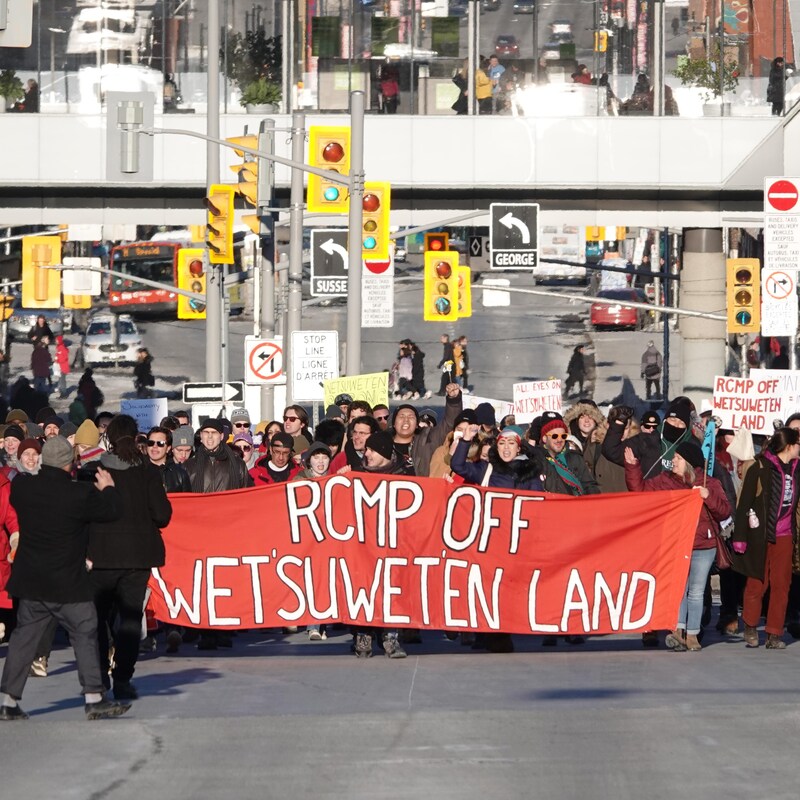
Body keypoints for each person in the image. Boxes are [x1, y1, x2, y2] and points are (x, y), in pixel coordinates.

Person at [0, 437, 130, 721]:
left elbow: (18, 485)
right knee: (85, 633)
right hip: (68, 583)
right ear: (69, 463)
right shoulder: (79, 494)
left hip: (32, 581)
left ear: (44, 460)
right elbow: (112, 511)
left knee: (23, 639)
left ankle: (8, 701)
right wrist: (108, 489)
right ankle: (94, 697)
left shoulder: (22, 488)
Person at [87, 415, 172, 700]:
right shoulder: (148, 473)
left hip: (101, 556)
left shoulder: (95, 471)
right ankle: (123, 678)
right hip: (138, 556)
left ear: (108, 438)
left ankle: (99, 677)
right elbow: (162, 516)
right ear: (136, 438)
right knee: (131, 619)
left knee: (98, 620)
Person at [625, 440, 730, 651]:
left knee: (697, 591)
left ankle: (692, 635)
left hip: (703, 545)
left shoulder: (709, 483)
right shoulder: (665, 480)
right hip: (676, 543)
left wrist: (707, 497)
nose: (673, 461)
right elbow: (641, 490)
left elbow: (724, 511)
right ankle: (677, 631)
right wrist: (633, 467)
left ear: (689, 463)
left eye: (678, 458)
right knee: (679, 590)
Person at [732, 426, 800, 649]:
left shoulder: (797, 469)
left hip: (785, 534)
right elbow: (743, 505)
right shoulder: (759, 468)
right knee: (757, 582)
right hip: (759, 534)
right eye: (798, 444)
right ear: (789, 446)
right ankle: (751, 625)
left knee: (782, 585)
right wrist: (740, 536)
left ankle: (774, 633)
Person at [185, 418, 253, 493]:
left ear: (221, 436)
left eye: (214, 432)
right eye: (206, 432)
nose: (210, 436)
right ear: (201, 435)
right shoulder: (189, 466)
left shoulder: (237, 464)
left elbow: (248, 494)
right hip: (199, 504)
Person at [145, 426, 192, 493]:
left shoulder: (180, 474)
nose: (154, 446)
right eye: (151, 443)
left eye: (160, 443)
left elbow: (186, 501)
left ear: (168, 448)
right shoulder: (137, 472)